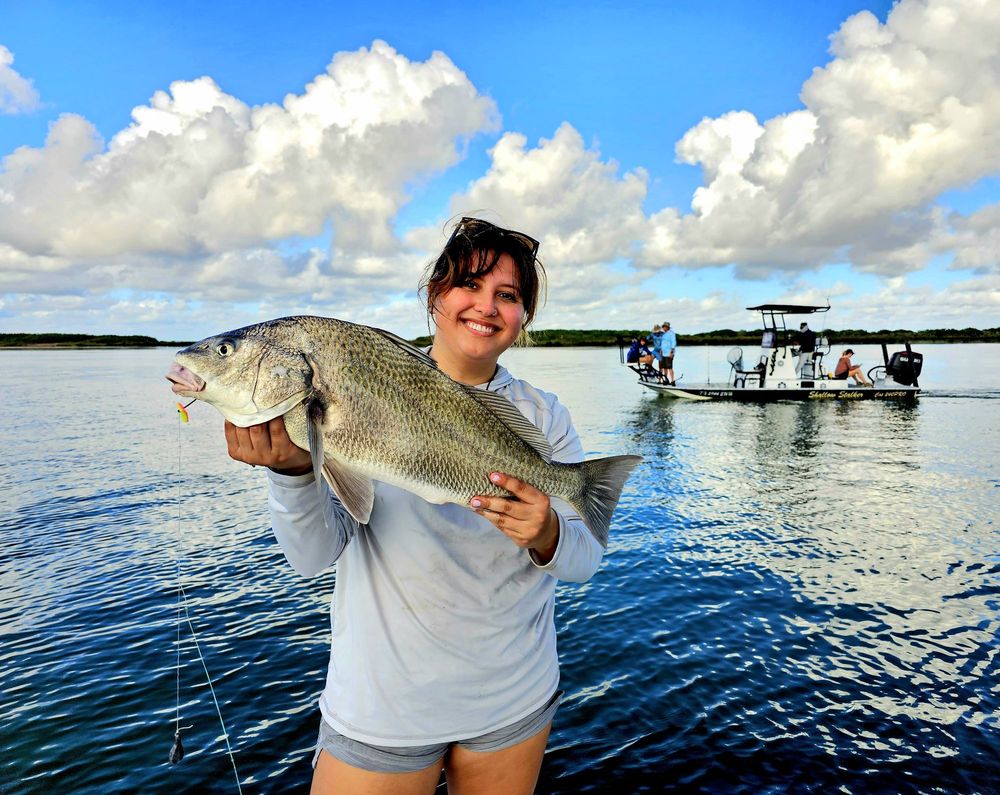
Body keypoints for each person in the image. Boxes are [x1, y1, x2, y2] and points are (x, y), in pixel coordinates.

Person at [223, 216, 603, 795]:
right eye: (468, 286)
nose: (486, 306)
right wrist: (294, 473)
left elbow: (583, 562)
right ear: (434, 297)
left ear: (524, 317)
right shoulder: (352, 391)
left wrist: (547, 532)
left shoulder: (543, 415)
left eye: (508, 295)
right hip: (384, 706)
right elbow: (311, 556)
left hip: (512, 698)